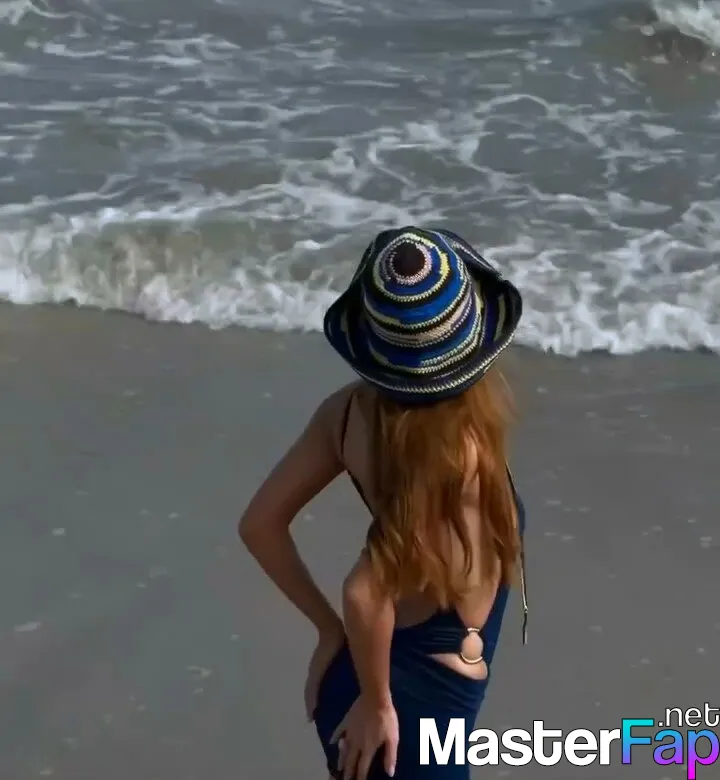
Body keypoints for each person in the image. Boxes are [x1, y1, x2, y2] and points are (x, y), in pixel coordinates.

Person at [239, 226, 528, 780]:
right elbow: (364, 592)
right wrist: (377, 703)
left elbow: (259, 524)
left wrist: (330, 632)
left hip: (364, 691)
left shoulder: (346, 413)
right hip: (404, 729)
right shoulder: (458, 457)